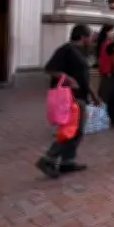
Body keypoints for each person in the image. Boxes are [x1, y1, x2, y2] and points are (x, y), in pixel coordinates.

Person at [36, 24, 98, 179]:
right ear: (82, 37)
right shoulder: (66, 50)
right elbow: (49, 69)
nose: (91, 39)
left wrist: (94, 94)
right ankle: (47, 158)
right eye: (90, 36)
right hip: (70, 97)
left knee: (79, 132)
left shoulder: (81, 52)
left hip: (81, 96)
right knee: (71, 131)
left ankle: (67, 161)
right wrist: (68, 79)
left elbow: (83, 77)